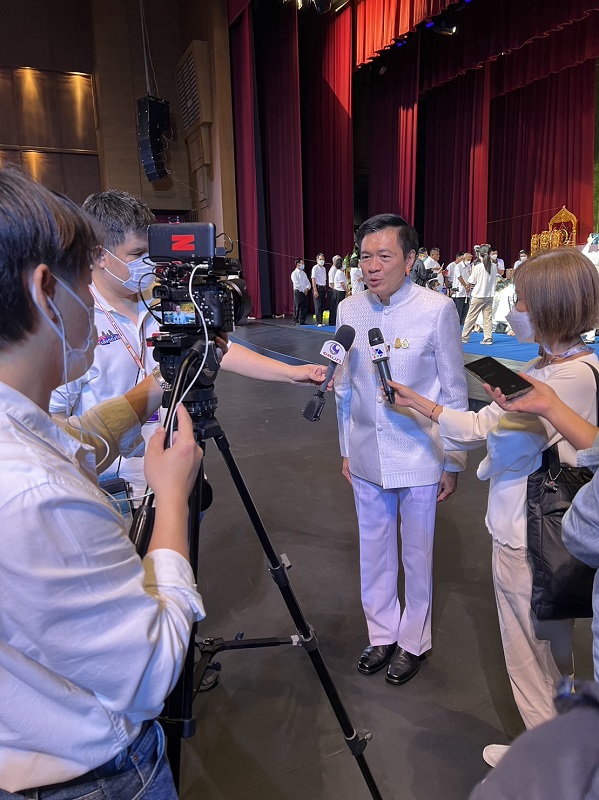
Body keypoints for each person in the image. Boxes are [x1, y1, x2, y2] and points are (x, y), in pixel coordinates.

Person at [0, 166, 205, 797]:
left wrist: (144, 398)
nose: (92, 297)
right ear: (45, 291)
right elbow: (150, 670)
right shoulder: (37, 496)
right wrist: (172, 497)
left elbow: (65, 438)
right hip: (95, 774)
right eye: (83, 278)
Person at [386, 247, 599, 766]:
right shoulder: (562, 367)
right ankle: (560, 750)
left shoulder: (563, 379)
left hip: (528, 533)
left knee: (529, 653)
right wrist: (426, 404)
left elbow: (500, 442)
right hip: (547, 530)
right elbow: (491, 427)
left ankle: (543, 764)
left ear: (548, 307)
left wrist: (441, 417)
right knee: (551, 650)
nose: (513, 310)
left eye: (522, 301)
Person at [50, 191, 328, 500]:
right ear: (99, 254)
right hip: (113, 488)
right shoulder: (72, 319)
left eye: (151, 252)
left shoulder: (165, 299)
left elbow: (216, 348)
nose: (148, 263)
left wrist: (291, 373)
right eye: (136, 253)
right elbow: (52, 424)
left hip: (178, 467)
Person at [334, 213, 468, 686]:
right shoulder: (349, 310)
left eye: (384, 256)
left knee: (417, 554)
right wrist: (346, 448)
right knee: (373, 551)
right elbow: (343, 387)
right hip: (366, 451)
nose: (372, 266)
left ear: (410, 260)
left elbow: (454, 391)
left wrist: (453, 459)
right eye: (365, 256)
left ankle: (413, 641)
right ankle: (381, 634)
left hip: (420, 453)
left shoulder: (437, 310)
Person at [461, 244, 502, 345]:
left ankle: (464, 337)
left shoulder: (478, 267)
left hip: (478, 295)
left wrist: (472, 272)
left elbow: (471, 280)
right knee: (487, 317)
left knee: (471, 316)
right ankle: (488, 337)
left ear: (480, 255)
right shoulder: (494, 267)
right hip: (489, 295)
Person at [453, 251, 472, 325]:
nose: (469, 261)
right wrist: (466, 286)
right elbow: (459, 277)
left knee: (465, 309)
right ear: (464, 259)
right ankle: (457, 324)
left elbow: (471, 276)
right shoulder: (458, 266)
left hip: (467, 291)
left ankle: (463, 323)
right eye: (468, 259)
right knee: (459, 310)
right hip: (460, 290)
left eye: (470, 259)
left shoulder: (469, 266)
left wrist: (469, 285)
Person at [291, 257, 310, 325]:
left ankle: (302, 320)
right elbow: (297, 284)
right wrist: (303, 290)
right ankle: (295, 320)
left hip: (304, 291)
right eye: (301, 263)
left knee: (304, 306)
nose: (303, 265)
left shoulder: (303, 273)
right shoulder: (294, 273)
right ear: (297, 264)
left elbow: (308, 282)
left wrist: (307, 288)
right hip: (298, 291)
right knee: (297, 306)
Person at [311, 253, 327, 326]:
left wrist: (325, 290)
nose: (322, 261)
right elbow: (313, 279)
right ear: (317, 260)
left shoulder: (324, 269)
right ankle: (318, 322)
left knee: (322, 305)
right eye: (320, 259)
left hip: (323, 287)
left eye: (323, 259)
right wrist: (315, 290)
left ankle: (321, 320)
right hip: (317, 287)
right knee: (318, 305)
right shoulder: (315, 268)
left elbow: (324, 280)